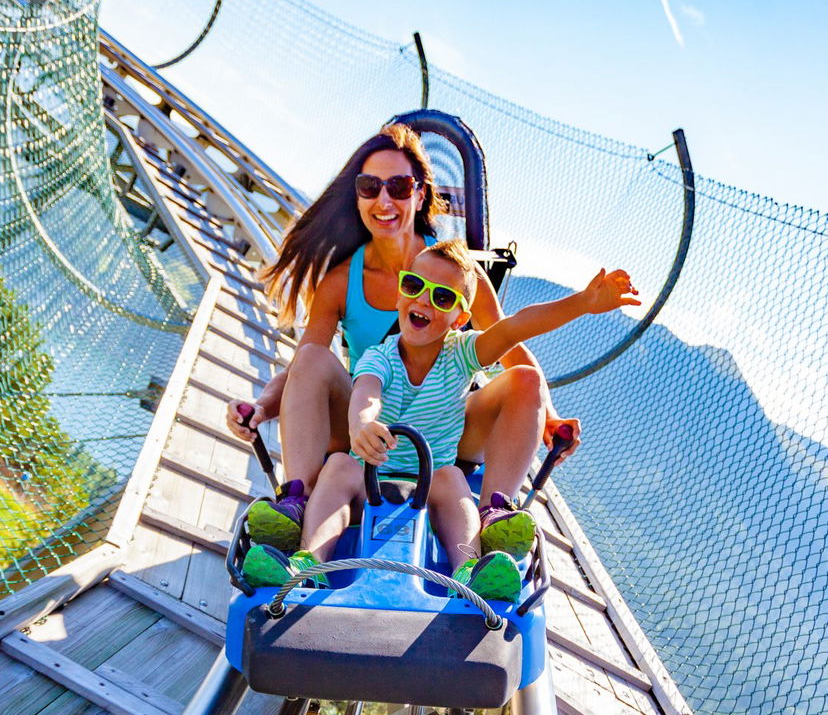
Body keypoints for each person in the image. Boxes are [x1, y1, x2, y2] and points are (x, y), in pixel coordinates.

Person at [227, 124, 578, 554]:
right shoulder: (340, 281)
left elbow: (511, 344)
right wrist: (262, 407)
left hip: (442, 428)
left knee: (525, 378)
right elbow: (305, 366)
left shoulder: (461, 273)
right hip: (365, 428)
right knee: (316, 357)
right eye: (370, 187)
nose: (384, 200)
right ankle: (295, 501)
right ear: (357, 196)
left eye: (398, 186)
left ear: (420, 193)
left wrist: (552, 418)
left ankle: (495, 520)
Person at [242, 240, 638, 600]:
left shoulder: (462, 354)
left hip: (431, 483)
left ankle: (472, 565)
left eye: (443, 296)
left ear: (460, 318)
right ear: (402, 291)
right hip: (369, 476)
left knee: (454, 478)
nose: (425, 301)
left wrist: (583, 303)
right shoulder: (381, 356)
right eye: (415, 286)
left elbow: (518, 325)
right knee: (339, 466)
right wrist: (362, 425)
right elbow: (366, 393)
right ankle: (308, 564)